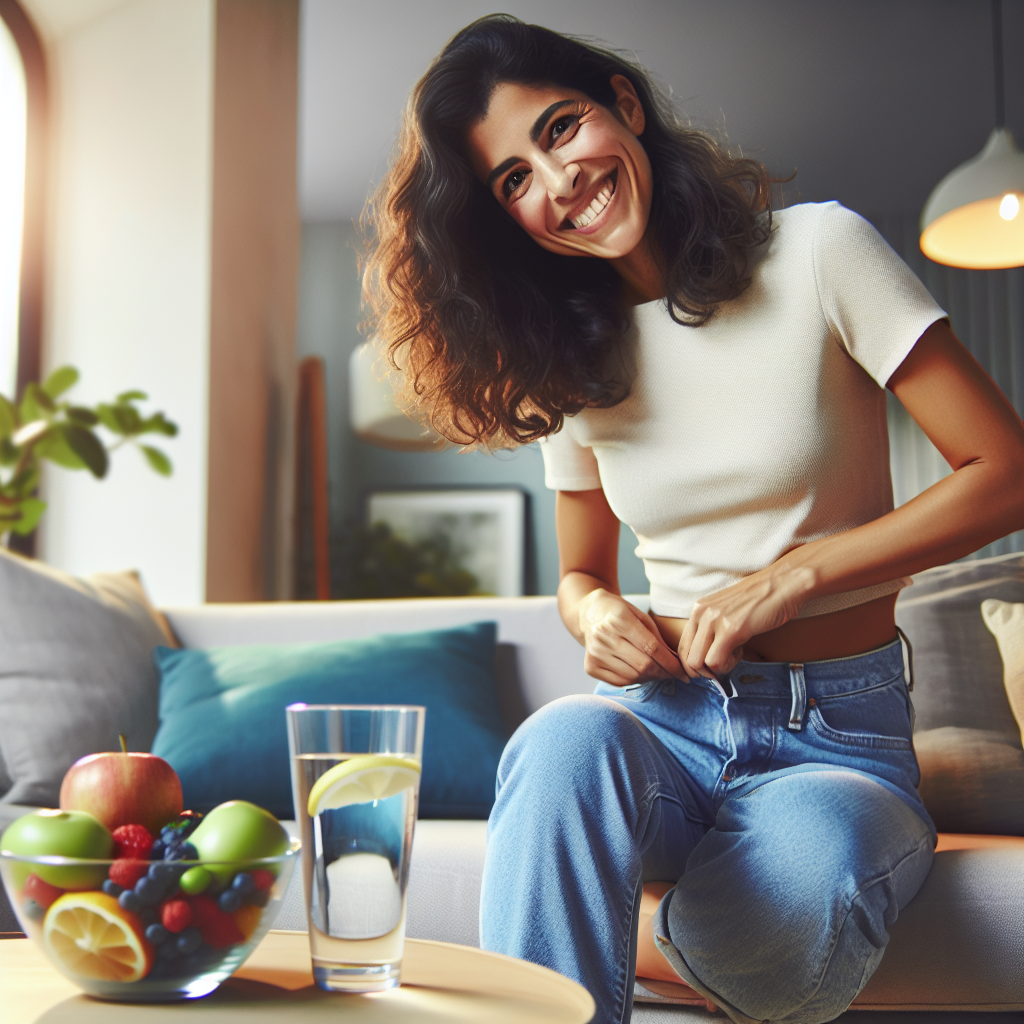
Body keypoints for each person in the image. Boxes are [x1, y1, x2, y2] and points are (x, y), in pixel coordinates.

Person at [362, 15, 1024, 1024]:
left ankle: (597, 948)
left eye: (559, 129)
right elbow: (580, 575)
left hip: (836, 736)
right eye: (512, 181)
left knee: (816, 889)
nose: (557, 182)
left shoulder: (818, 251)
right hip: (665, 725)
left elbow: (1004, 471)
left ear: (623, 106)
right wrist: (595, 620)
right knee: (556, 747)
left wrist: (799, 573)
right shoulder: (566, 359)